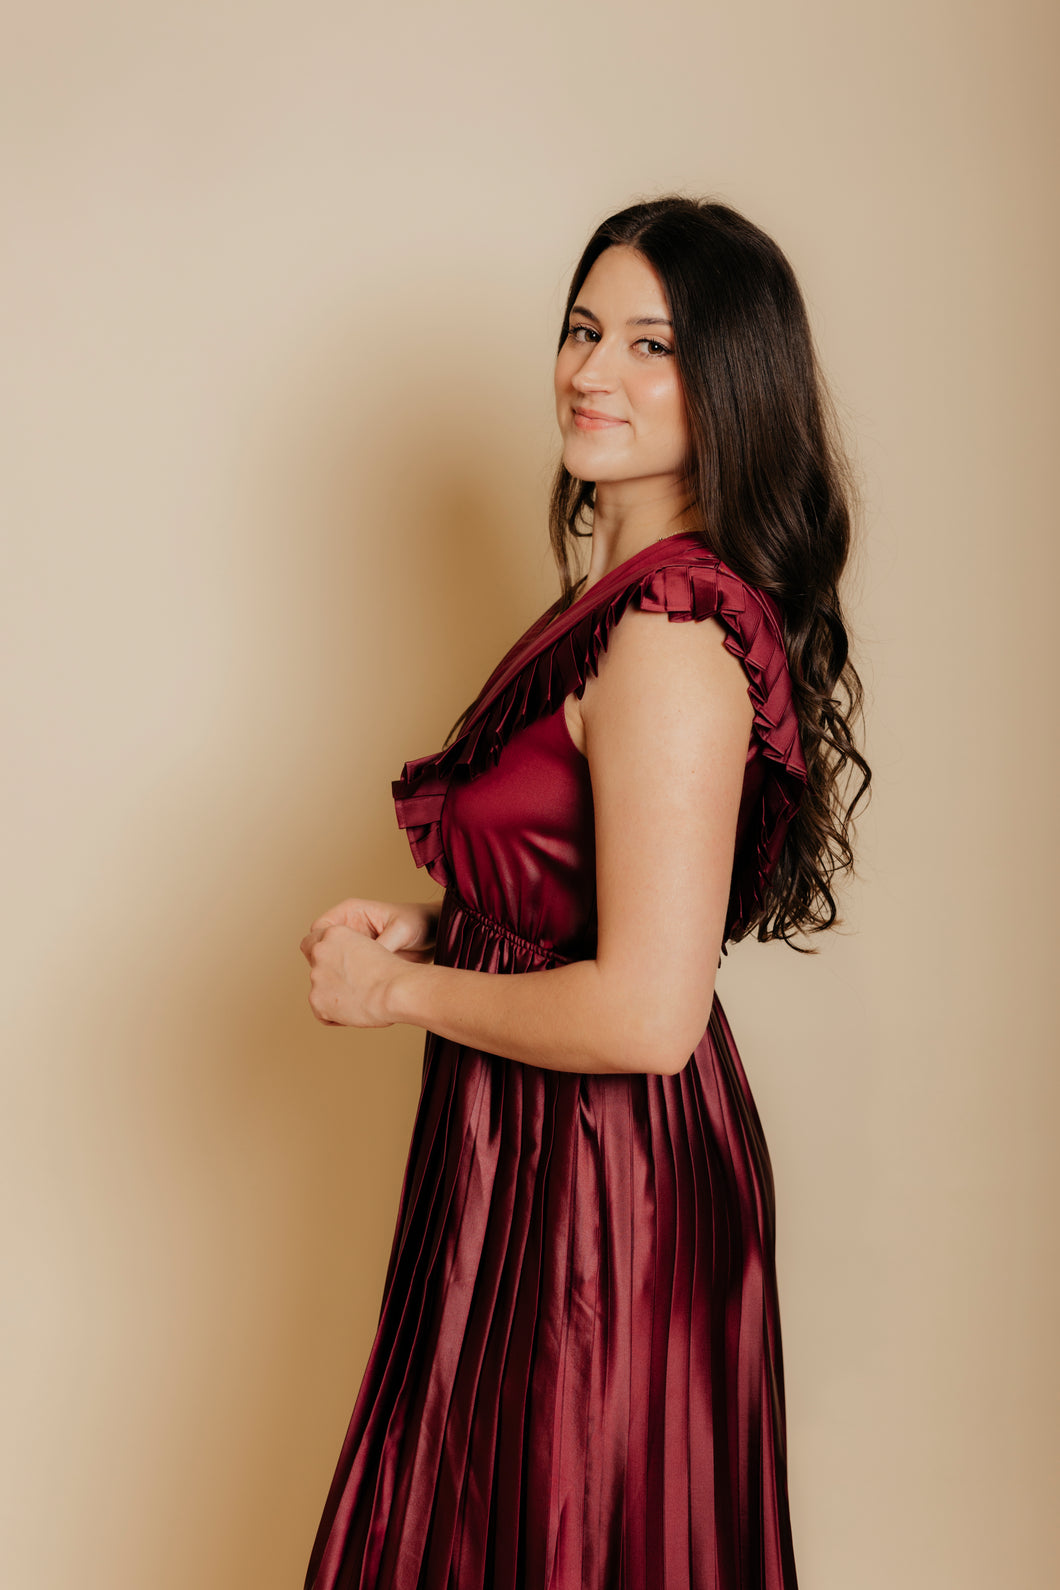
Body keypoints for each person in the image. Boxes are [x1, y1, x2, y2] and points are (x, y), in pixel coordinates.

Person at [299, 195, 870, 1590]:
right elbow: (593, 894)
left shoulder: (670, 639)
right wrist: (443, 924)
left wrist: (400, 990)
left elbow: (648, 1016)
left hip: (602, 1196)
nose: (592, 370)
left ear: (730, 383)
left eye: (650, 345)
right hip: (530, 1157)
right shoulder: (618, 602)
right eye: (581, 329)